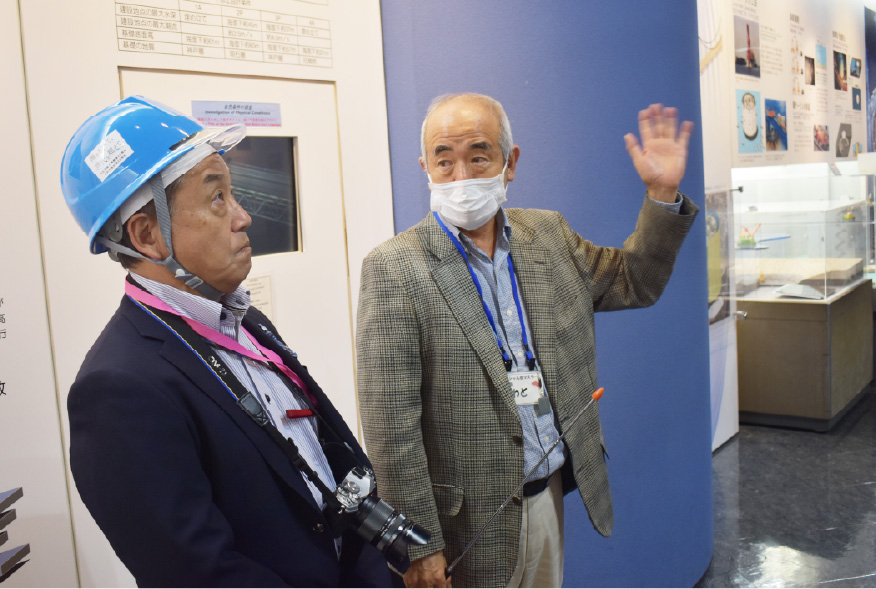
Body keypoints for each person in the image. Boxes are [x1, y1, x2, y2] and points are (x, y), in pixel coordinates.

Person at [356, 93, 698, 588]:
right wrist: (416, 545)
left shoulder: (550, 235)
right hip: (461, 523)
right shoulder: (394, 269)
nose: (462, 177)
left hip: (547, 492)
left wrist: (662, 196)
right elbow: (390, 428)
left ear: (509, 163)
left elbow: (636, 280)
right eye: (444, 161)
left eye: (479, 156)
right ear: (425, 167)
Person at [61, 96, 392, 587]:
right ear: (149, 235)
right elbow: (199, 572)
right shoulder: (119, 388)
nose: (243, 217)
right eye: (217, 199)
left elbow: (324, 458)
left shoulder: (244, 320)